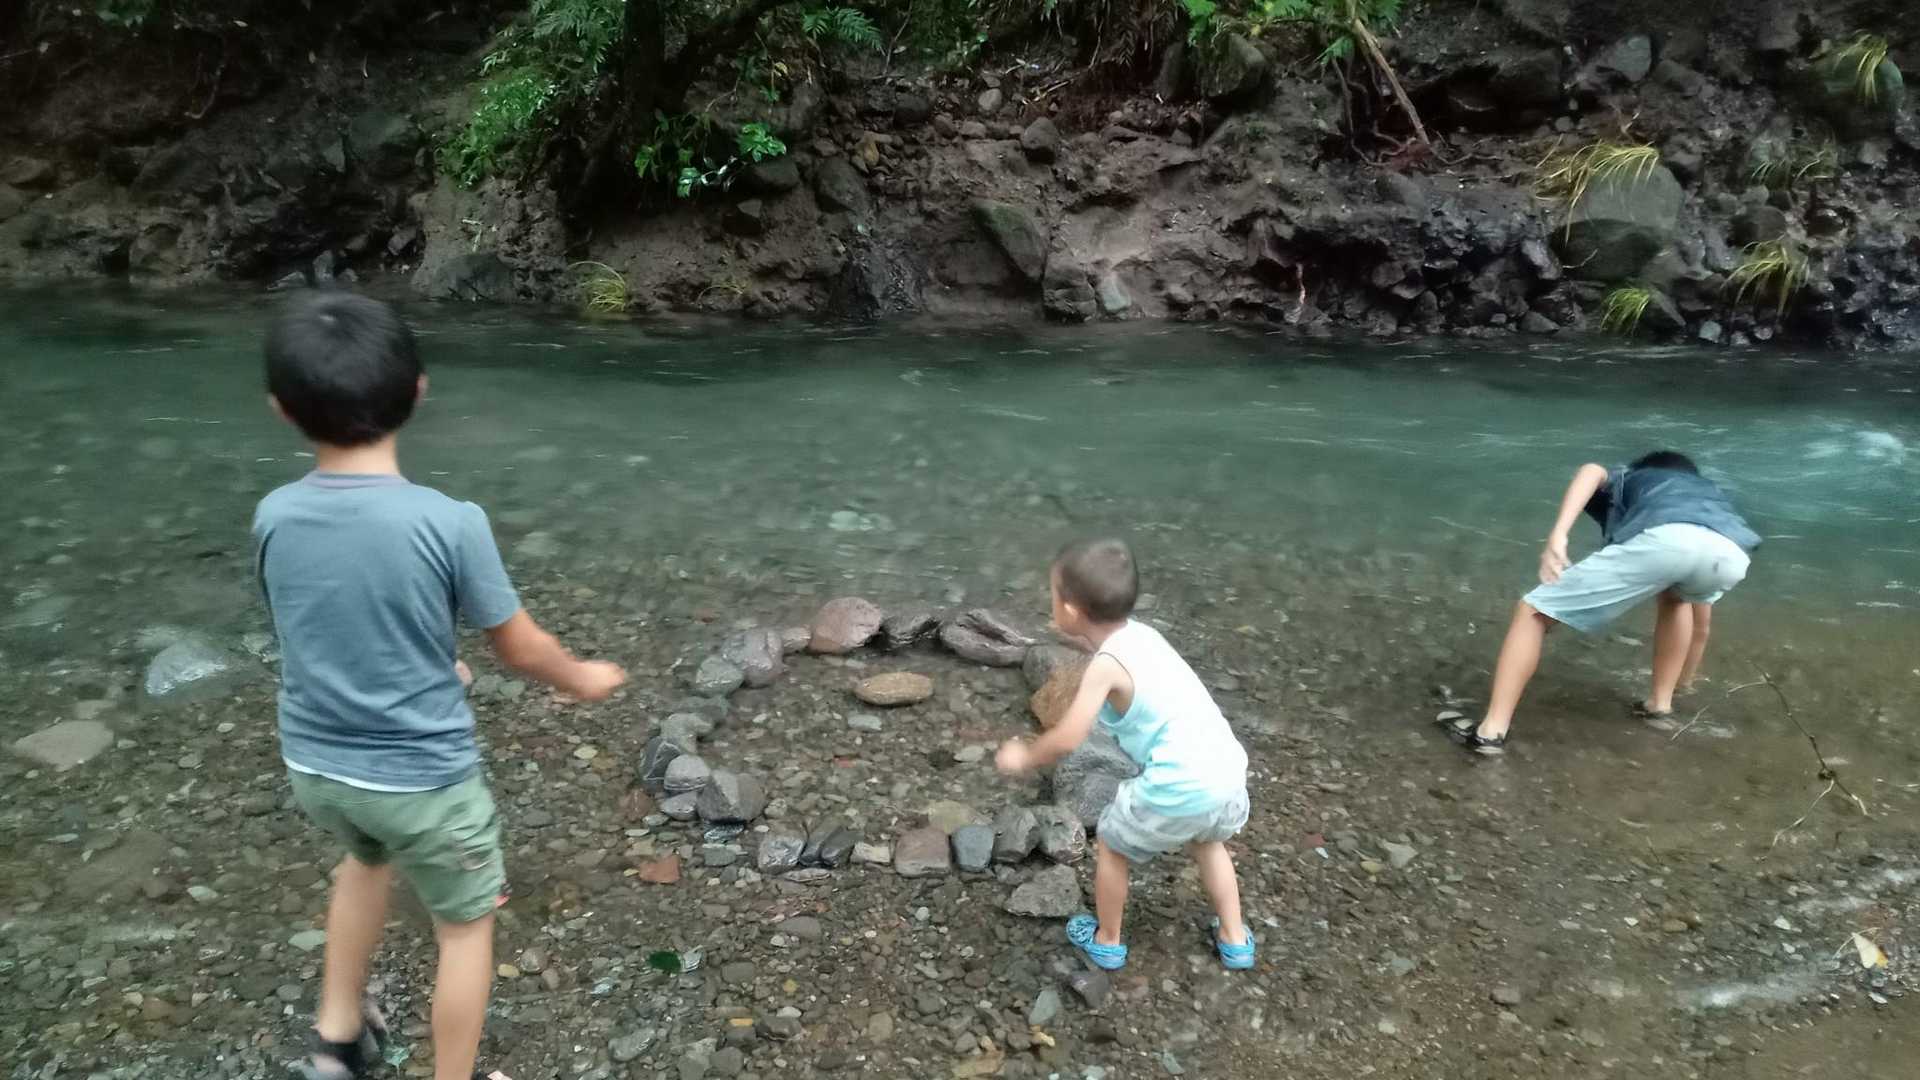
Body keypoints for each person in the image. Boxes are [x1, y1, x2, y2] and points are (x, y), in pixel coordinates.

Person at [254, 292, 627, 1080]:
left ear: (281, 409)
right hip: (422, 782)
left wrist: (433, 664)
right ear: (419, 392)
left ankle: (336, 1038)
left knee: (363, 864)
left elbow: (321, 626)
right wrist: (581, 676)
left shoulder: (275, 516)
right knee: (465, 928)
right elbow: (519, 647)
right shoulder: (449, 521)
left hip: (318, 768)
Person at [995, 537, 1255, 971]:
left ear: (1071, 611)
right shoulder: (1145, 637)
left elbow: (1068, 738)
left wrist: (1024, 757)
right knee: (1209, 843)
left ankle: (1107, 940)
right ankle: (1235, 939)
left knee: (1112, 847)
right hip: (1226, 771)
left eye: (1053, 595)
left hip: (1178, 782)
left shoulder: (1105, 667)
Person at [1445, 450, 1759, 756]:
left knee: (1533, 611)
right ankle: (1660, 705)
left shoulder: (1635, 477)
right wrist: (1686, 683)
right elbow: (1702, 628)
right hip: (1732, 553)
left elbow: (1591, 470)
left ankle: (1491, 732)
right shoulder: (1709, 497)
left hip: (1668, 539)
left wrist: (1558, 535)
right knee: (1677, 601)